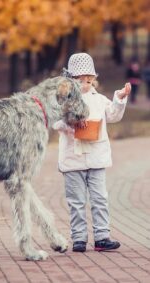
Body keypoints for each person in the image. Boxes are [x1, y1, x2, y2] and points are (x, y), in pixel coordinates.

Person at [53, 53, 131, 252]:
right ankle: (79, 238)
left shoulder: (99, 100)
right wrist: (73, 122)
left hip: (96, 157)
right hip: (73, 159)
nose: (85, 84)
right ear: (70, 80)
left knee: (100, 198)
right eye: (79, 81)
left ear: (93, 79)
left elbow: (112, 115)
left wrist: (119, 99)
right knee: (76, 201)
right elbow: (56, 123)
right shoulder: (64, 101)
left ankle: (102, 236)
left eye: (88, 80)